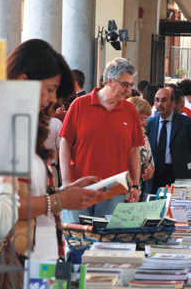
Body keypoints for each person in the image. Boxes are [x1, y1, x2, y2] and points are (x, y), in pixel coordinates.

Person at [6, 39, 103, 258]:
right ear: (23, 81)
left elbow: (34, 196)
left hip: (42, 254)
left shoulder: (26, 128)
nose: (51, 100)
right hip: (20, 262)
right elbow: (2, 208)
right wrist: (59, 201)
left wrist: (65, 192)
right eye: (50, 89)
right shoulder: (2, 131)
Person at [59, 57, 144, 223]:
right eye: (125, 84)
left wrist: (135, 185)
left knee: (108, 244)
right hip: (79, 186)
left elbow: (135, 149)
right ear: (110, 82)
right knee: (76, 240)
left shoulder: (130, 110)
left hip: (114, 190)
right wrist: (66, 183)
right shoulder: (79, 105)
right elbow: (65, 144)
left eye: (131, 85)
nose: (129, 91)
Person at [145, 87, 191, 192]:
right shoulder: (150, 123)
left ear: (173, 103)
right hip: (156, 175)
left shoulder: (187, 123)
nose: (159, 104)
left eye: (164, 100)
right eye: (157, 100)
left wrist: (189, 169)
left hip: (180, 174)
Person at [128, 96, 155, 197]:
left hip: (136, 192)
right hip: (117, 192)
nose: (145, 123)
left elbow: (149, 164)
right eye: (142, 118)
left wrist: (148, 171)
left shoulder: (144, 138)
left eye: (146, 119)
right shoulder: (119, 136)